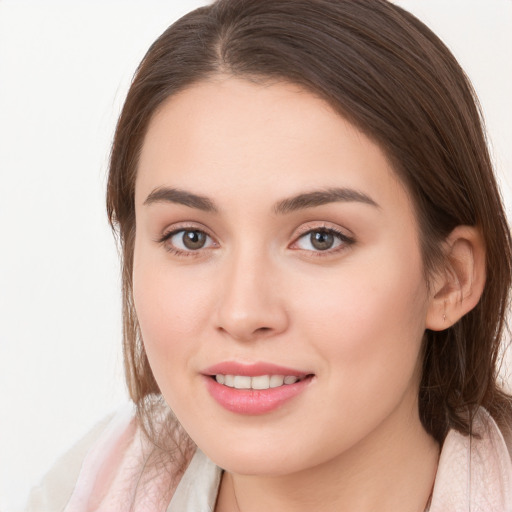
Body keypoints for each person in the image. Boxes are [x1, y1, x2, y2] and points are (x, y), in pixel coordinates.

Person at [25, 0, 512, 511]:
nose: (243, 313)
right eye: (190, 237)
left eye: (321, 238)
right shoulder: (84, 487)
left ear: (449, 279)